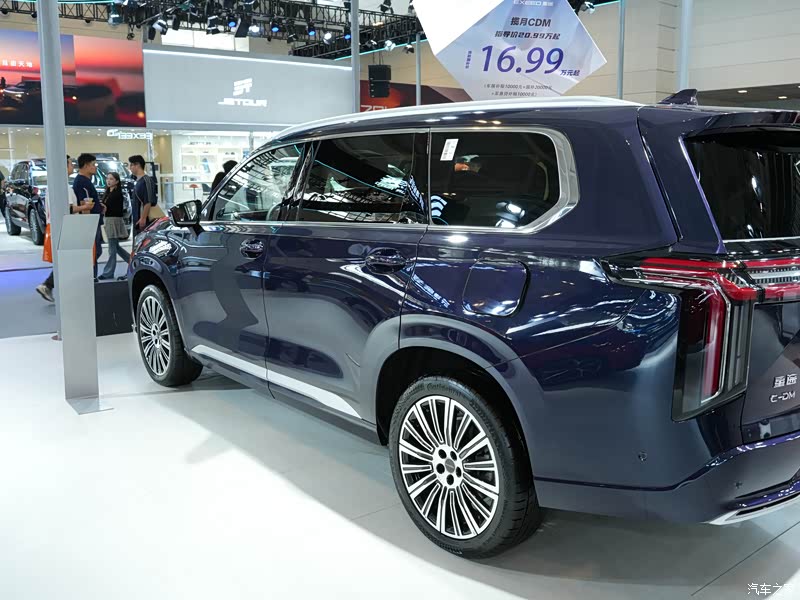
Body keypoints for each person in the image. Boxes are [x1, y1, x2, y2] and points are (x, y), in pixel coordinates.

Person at [36, 155, 93, 303]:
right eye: (70, 164)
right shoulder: (63, 187)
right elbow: (67, 208)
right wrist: (85, 207)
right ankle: (50, 286)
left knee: (65, 261)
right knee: (68, 261)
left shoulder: (53, 185)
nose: (72, 166)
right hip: (65, 227)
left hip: (56, 226)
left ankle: (52, 286)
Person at [72, 153, 104, 278]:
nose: (95, 167)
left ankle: (91, 276)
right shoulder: (82, 182)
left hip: (93, 220)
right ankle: (90, 277)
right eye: (93, 164)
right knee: (94, 251)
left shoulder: (85, 181)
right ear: (85, 165)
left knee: (96, 250)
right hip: (90, 222)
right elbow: (85, 204)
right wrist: (88, 225)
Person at [98, 172, 131, 281]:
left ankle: (108, 272)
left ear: (117, 181)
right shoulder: (108, 192)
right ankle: (131, 261)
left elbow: (116, 209)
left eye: (111, 179)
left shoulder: (118, 194)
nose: (108, 181)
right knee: (115, 247)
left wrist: (105, 207)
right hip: (108, 220)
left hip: (113, 221)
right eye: (108, 178)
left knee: (112, 248)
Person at [129, 155, 159, 234]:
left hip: (145, 220)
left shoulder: (146, 180)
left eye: (131, 165)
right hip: (137, 219)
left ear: (138, 165)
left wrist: (143, 218)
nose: (130, 167)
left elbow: (148, 201)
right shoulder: (138, 181)